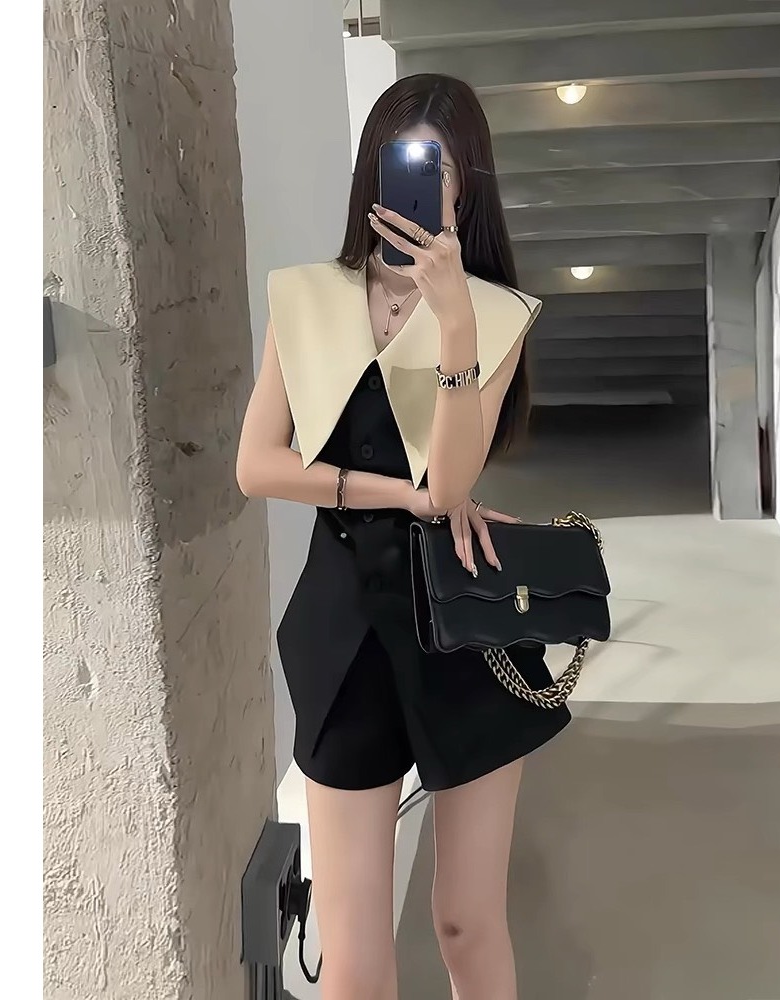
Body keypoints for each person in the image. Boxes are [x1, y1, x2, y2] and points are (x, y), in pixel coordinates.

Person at [236, 74, 570, 1000]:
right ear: (373, 175)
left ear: (468, 187)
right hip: (343, 625)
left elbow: (453, 484)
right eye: (407, 161)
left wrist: (454, 320)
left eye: (445, 169)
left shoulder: (494, 312)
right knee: (352, 960)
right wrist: (394, 493)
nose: (426, 184)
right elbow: (256, 465)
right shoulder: (306, 298)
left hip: (460, 620)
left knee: (467, 921)